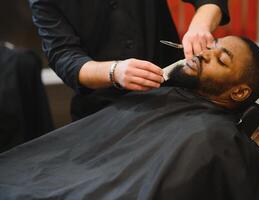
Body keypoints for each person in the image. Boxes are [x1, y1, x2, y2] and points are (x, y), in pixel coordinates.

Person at [0, 36, 259, 200]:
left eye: (221, 59)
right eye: (211, 47)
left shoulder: (215, 140)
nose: (205, 54)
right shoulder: (157, 96)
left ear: (240, 91)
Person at [28, 0, 230, 120]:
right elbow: (63, 56)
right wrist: (114, 71)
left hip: (174, 95)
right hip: (103, 111)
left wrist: (199, 27)